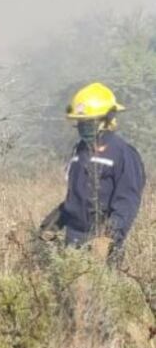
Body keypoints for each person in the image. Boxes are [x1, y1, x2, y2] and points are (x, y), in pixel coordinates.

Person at [40, 82, 147, 265]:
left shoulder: (123, 153)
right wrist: (55, 221)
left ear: (107, 119)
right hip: (72, 246)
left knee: (99, 291)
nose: (83, 127)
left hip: (102, 251)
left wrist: (108, 237)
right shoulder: (80, 151)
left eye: (89, 122)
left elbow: (127, 202)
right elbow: (76, 198)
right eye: (80, 122)